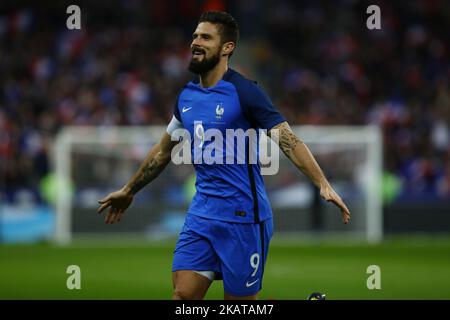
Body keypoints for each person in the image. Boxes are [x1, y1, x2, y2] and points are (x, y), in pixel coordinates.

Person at [97, 11, 350, 300]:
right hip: (202, 215)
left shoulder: (245, 92)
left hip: (243, 218)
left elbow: (288, 140)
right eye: (194, 36)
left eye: (205, 37)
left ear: (227, 48)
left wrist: (322, 183)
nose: (195, 42)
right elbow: (162, 152)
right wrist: (130, 190)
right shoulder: (186, 97)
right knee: (182, 298)